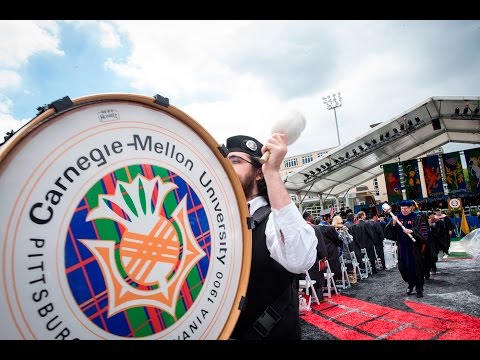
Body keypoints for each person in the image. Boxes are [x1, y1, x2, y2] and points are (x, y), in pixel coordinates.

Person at [225, 134, 318, 340]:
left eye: (236, 161)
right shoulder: (219, 224)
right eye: (225, 161)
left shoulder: (274, 220)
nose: (227, 167)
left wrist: (272, 172)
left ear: (258, 173)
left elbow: (300, 260)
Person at [384, 199, 427, 298]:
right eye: (402, 208)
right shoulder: (397, 218)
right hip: (402, 247)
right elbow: (388, 233)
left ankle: (419, 288)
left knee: (416, 267)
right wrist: (393, 224)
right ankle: (411, 283)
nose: (403, 210)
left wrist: (411, 231)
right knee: (403, 267)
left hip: (414, 248)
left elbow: (423, 232)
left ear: (410, 208)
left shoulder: (417, 217)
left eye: (405, 208)